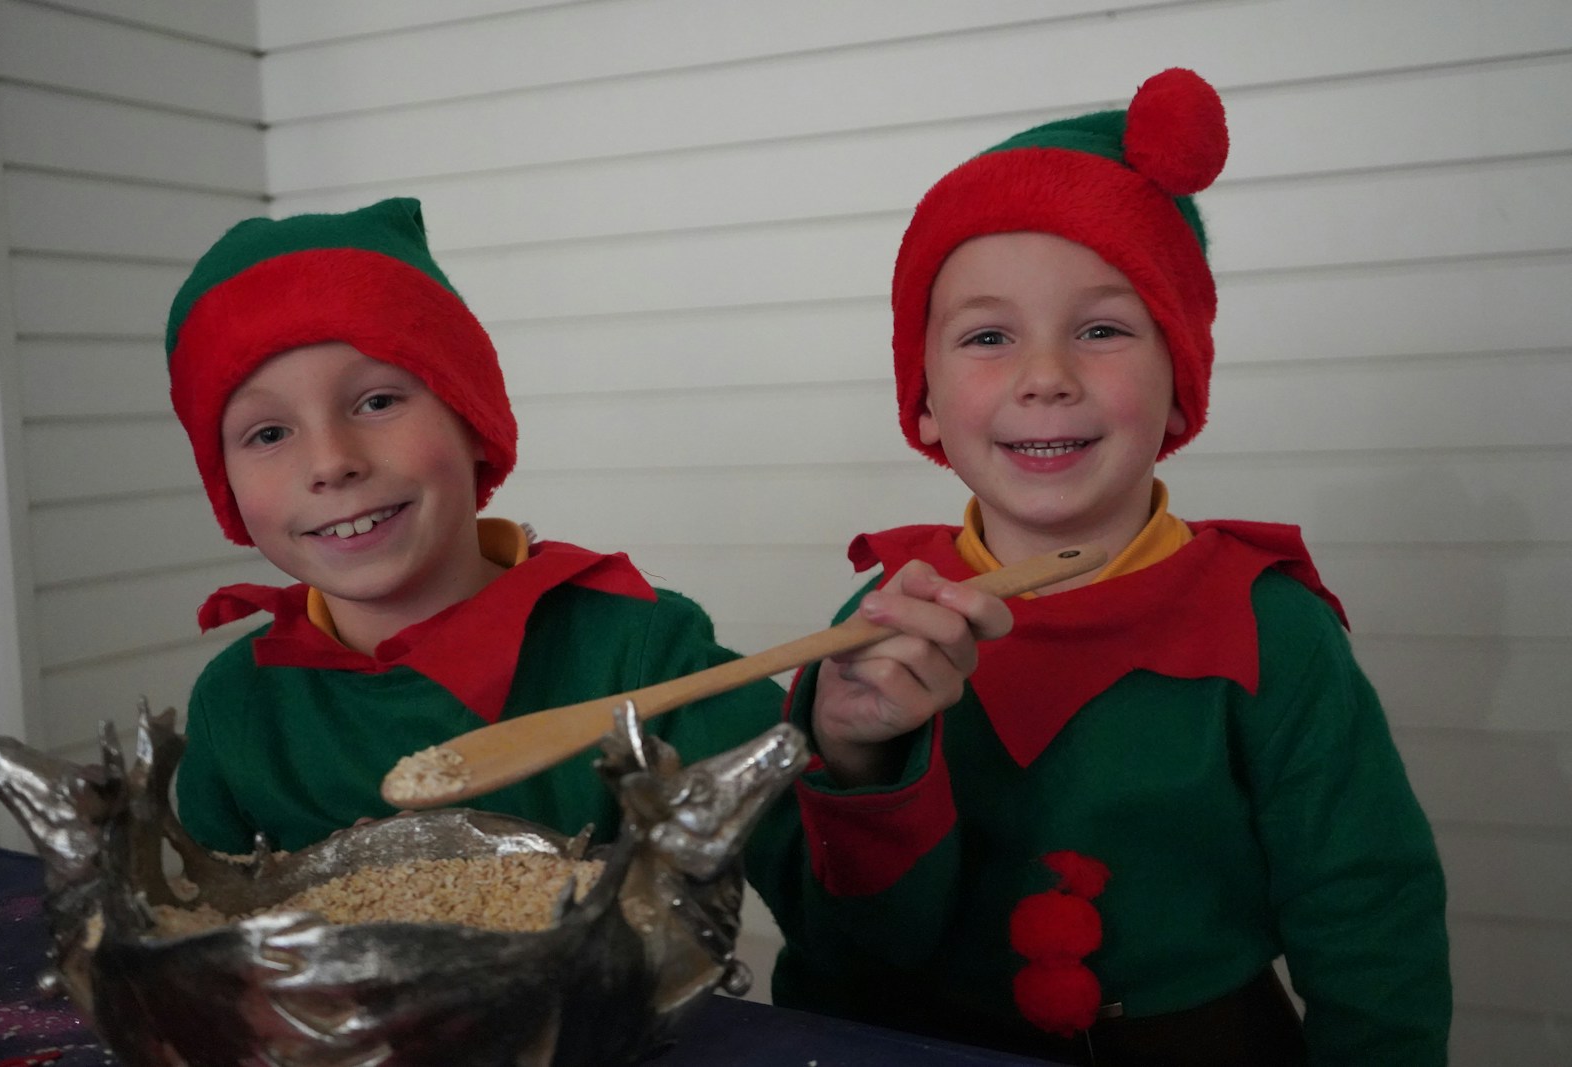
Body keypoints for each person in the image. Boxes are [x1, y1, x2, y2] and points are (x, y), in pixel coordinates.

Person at [768, 69, 1450, 1066]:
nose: (1046, 376)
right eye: (989, 336)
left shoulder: (1270, 627)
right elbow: (839, 946)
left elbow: (1370, 916)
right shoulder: (886, 618)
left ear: (1179, 388)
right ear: (922, 402)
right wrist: (858, 753)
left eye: (1101, 328)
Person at [165, 196, 1010, 863]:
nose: (331, 461)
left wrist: (854, 749)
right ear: (229, 485)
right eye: (267, 433)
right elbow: (216, 952)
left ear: (471, 419)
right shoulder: (240, 706)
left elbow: (838, 904)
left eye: (378, 400)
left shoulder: (642, 656)